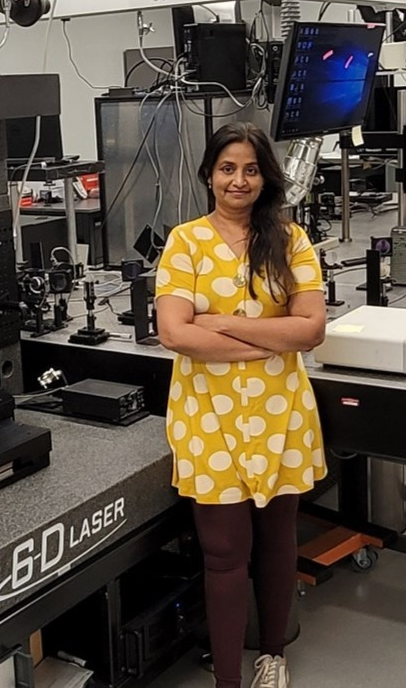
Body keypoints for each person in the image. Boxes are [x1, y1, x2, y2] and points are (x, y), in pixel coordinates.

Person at [155, 122, 327, 688]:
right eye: (227, 168)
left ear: (265, 177)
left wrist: (223, 323)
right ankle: (227, 680)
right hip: (209, 418)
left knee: (279, 541)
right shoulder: (184, 242)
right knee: (224, 554)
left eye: (251, 169)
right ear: (209, 174)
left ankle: (272, 654)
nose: (239, 179)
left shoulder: (291, 239)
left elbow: (310, 331)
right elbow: (176, 335)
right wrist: (268, 334)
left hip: (282, 414)